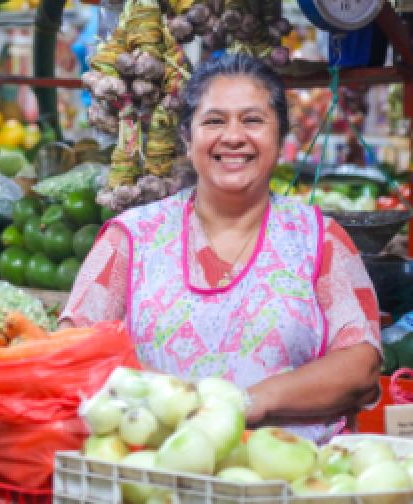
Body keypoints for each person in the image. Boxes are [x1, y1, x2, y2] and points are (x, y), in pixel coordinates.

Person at [59, 54, 382, 443]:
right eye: (214, 121)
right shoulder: (130, 238)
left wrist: (247, 403)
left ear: (281, 138)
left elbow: (361, 366)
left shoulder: (321, 239)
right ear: (187, 136)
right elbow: (72, 353)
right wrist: (181, 403)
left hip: (290, 479)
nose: (232, 137)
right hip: (152, 473)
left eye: (252, 120)